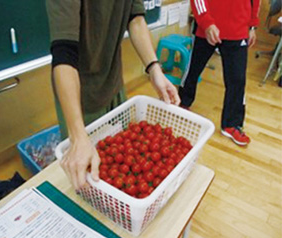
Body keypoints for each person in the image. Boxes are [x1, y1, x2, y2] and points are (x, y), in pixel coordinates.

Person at [46, 0, 180, 191]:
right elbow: (63, 53)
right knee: (86, 177)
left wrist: (154, 68)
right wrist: (77, 135)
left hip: (113, 80)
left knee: (118, 161)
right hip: (79, 96)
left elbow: (135, 18)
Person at [179, 0, 261, 146]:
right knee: (193, 69)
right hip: (207, 29)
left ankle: (232, 124)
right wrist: (206, 22)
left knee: (237, 80)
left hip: (239, 30)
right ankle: (182, 103)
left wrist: (253, 25)